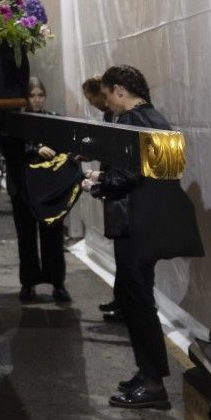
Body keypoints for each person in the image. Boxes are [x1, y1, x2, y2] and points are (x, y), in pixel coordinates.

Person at [82, 65, 204, 410]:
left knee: (137, 302)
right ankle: (147, 374)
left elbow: (126, 177)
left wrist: (97, 184)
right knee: (136, 298)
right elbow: (157, 172)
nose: (108, 105)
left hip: (136, 226)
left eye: (107, 97)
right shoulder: (157, 119)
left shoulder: (130, 122)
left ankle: (152, 383)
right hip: (151, 224)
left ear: (119, 90)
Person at [8, 77, 70, 304]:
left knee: (52, 236)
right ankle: (28, 282)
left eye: (40, 95)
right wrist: (35, 149)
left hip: (48, 189)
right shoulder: (17, 122)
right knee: (26, 237)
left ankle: (57, 282)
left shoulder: (53, 120)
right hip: (23, 188)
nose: (36, 100)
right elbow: (11, 151)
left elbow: (64, 149)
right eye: (32, 95)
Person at [80, 75, 124, 322]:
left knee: (125, 253)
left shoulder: (118, 116)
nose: (93, 104)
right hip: (110, 182)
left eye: (93, 98)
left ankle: (123, 303)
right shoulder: (110, 115)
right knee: (120, 251)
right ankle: (120, 300)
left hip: (115, 185)